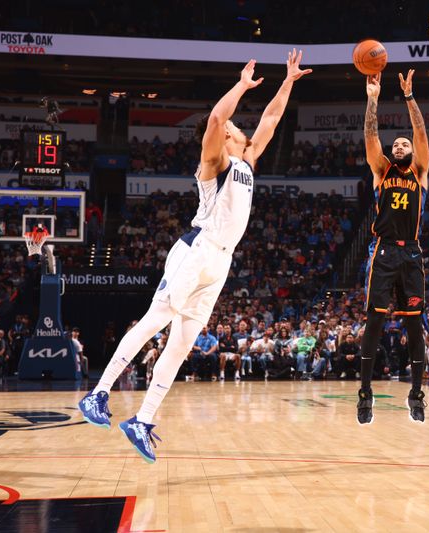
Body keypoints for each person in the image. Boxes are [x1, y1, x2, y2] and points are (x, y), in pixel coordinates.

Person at [78, 50, 311, 463]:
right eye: (236, 128)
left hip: (221, 262)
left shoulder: (249, 160)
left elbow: (272, 120)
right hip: (196, 249)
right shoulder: (215, 159)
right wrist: (241, 85)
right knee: (156, 320)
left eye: (240, 130)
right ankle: (98, 394)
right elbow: (217, 120)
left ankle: (143, 420)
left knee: (182, 344)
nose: (239, 129)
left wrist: (288, 81)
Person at [356, 69, 429, 424]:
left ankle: (416, 393)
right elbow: (371, 136)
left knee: (415, 327)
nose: (400, 145)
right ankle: (365, 392)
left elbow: (420, 132)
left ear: (413, 152)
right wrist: (373, 98)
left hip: (412, 253)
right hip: (384, 251)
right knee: (374, 322)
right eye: (396, 144)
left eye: (405, 144)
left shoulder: (420, 171)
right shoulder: (382, 170)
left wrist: (409, 97)